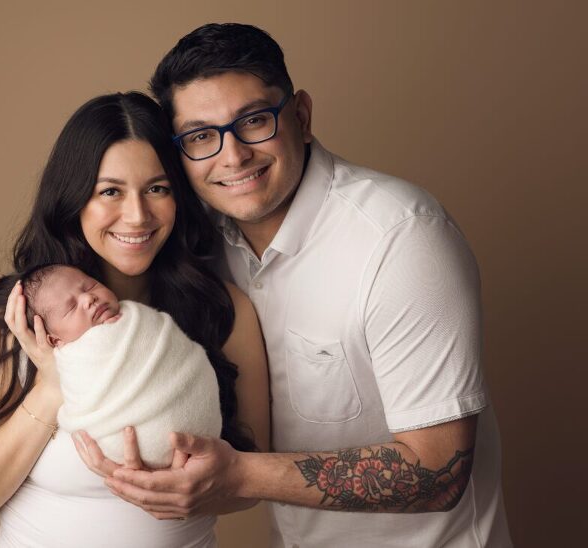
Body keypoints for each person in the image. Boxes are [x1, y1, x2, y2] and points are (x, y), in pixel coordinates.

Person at [69, 23, 512, 547]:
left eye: (254, 120)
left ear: (300, 116)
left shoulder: (401, 239)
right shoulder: (203, 243)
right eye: (201, 136)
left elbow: (440, 469)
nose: (232, 157)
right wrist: (3, 306)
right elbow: (113, 276)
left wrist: (239, 474)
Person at [0, 91, 270, 547]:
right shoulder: (19, 316)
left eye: (158, 189)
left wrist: (191, 488)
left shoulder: (222, 311)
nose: (137, 216)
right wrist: (54, 384)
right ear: (74, 199)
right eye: (110, 191)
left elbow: (249, 484)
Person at [22, 263, 224, 468]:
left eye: (90, 286)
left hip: (195, 408)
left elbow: (176, 349)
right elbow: (83, 401)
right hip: (139, 440)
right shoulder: (74, 357)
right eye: (71, 307)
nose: (88, 298)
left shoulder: (136, 315)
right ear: (55, 340)